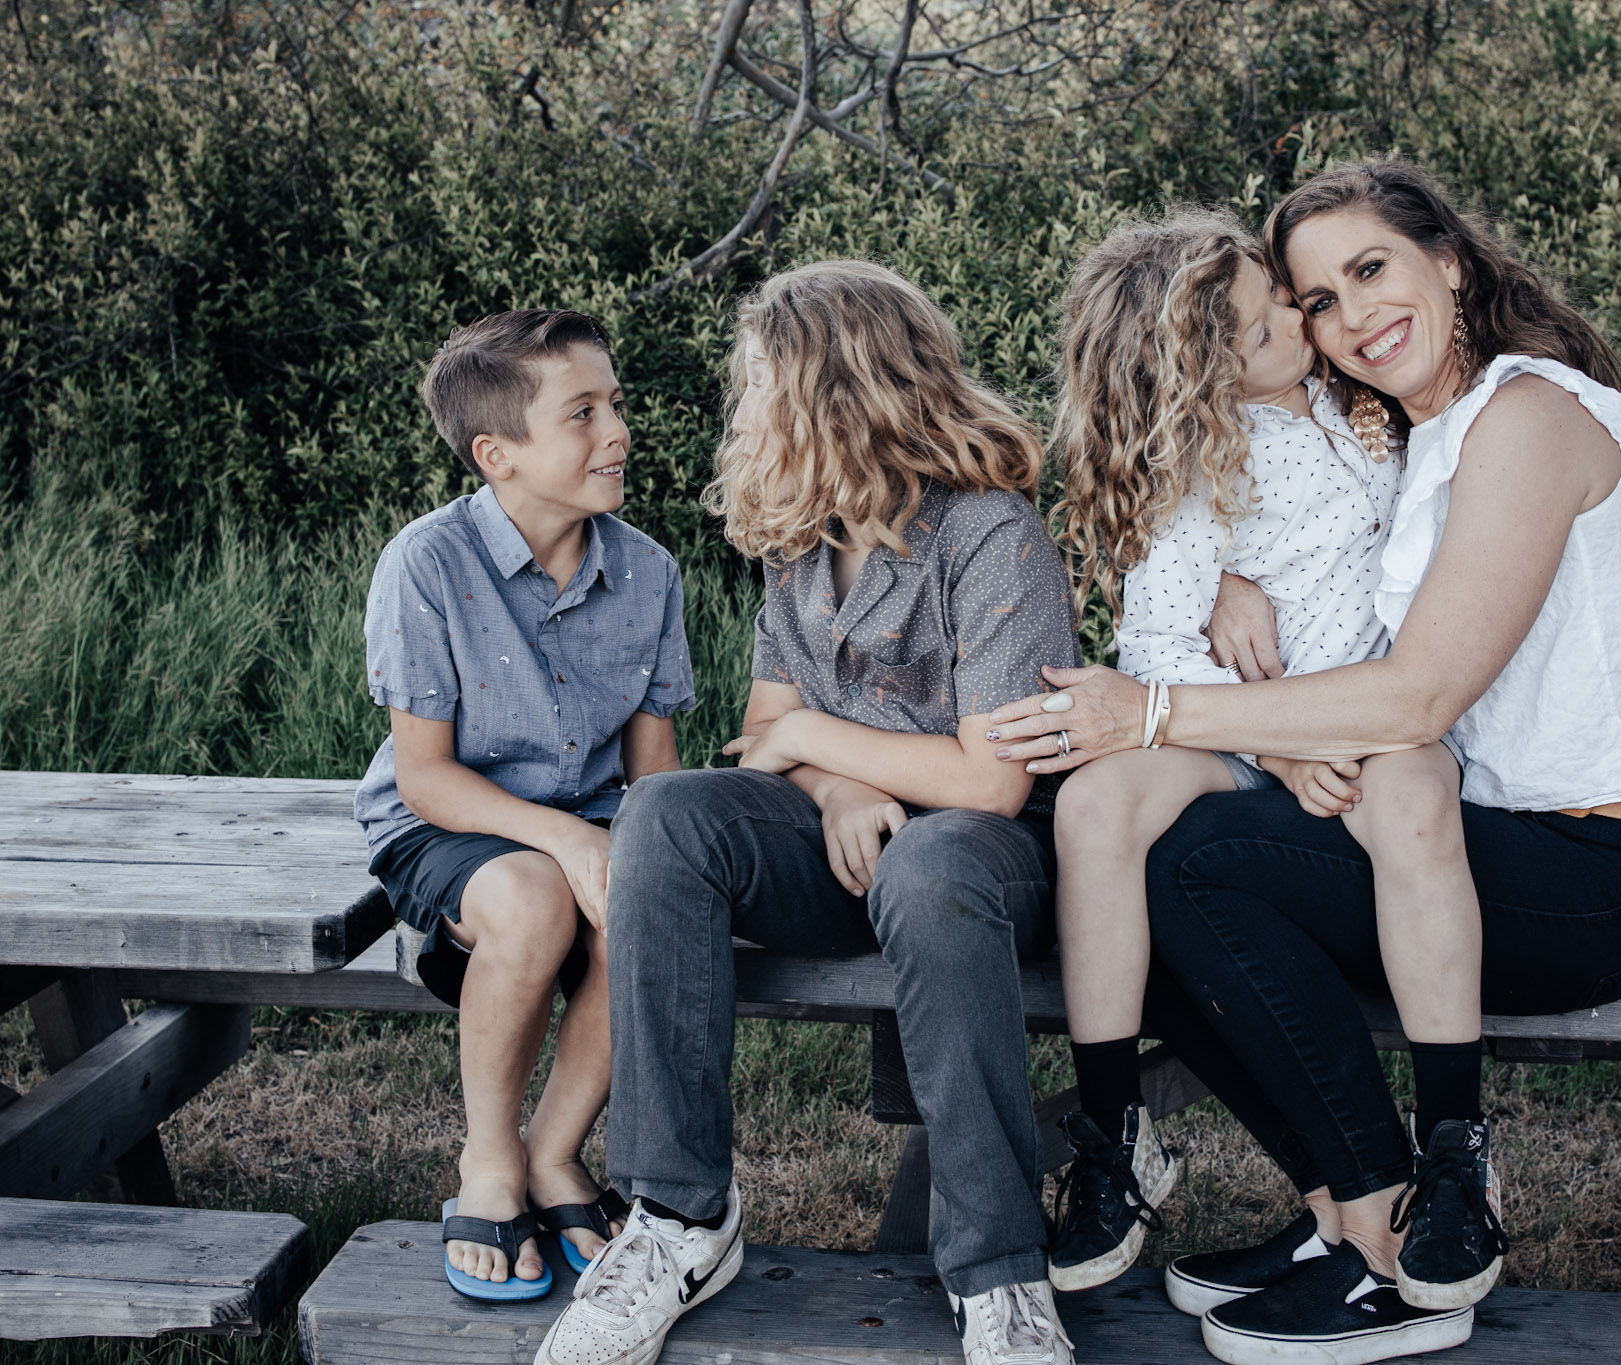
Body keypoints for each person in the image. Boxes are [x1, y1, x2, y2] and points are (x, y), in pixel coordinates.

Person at [986, 158, 1621, 1365]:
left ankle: (1404, 1220)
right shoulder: (1410, 431)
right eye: (1312, 297)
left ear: (1449, 261)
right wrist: (1225, 573)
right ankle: (1337, 1213)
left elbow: (1418, 690)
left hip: (1593, 860)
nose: (1339, 316)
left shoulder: (1522, 419)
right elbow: (1318, 541)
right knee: (1140, 870)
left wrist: (1155, 710)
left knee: (1197, 873)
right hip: (1465, 823)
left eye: (1367, 270)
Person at [534, 261, 1083, 1365]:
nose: (743, 413)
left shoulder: (990, 533)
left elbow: (991, 781)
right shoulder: (803, 543)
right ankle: (680, 1216)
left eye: (756, 388)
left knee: (932, 866)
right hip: (851, 849)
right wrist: (838, 784)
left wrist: (817, 748)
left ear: (832, 392)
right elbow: (762, 732)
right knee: (668, 814)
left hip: (989, 869)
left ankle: (999, 1276)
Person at [1040, 208, 1485, 1299]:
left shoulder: (1366, 400)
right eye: (1263, 322)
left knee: (1419, 797)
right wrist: (1279, 748)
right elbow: (1149, 654)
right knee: (1094, 808)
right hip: (1243, 730)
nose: (1297, 314)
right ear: (1205, 374)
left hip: (1380, 727)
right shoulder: (1203, 470)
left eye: (1285, 299)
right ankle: (1112, 1131)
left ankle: (1453, 1150)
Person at [353, 309, 692, 1300]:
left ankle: (555, 1152)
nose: (618, 432)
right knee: (537, 897)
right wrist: (567, 846)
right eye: (581, 414)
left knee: (659, 898)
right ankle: (491, 1162)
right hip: (449, 823)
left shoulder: (647, 573)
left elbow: (656, 770)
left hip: (587, 823)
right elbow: (425, 776)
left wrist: (645, 858)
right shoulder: (425, 563)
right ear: (497, 454)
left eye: (616, 405)